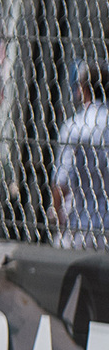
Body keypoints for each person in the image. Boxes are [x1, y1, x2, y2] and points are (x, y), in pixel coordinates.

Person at [53, 62, 109, 249]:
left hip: (78, 223)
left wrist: (58, 218)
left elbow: (62, 182)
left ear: (83, 89)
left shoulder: (74, 126)